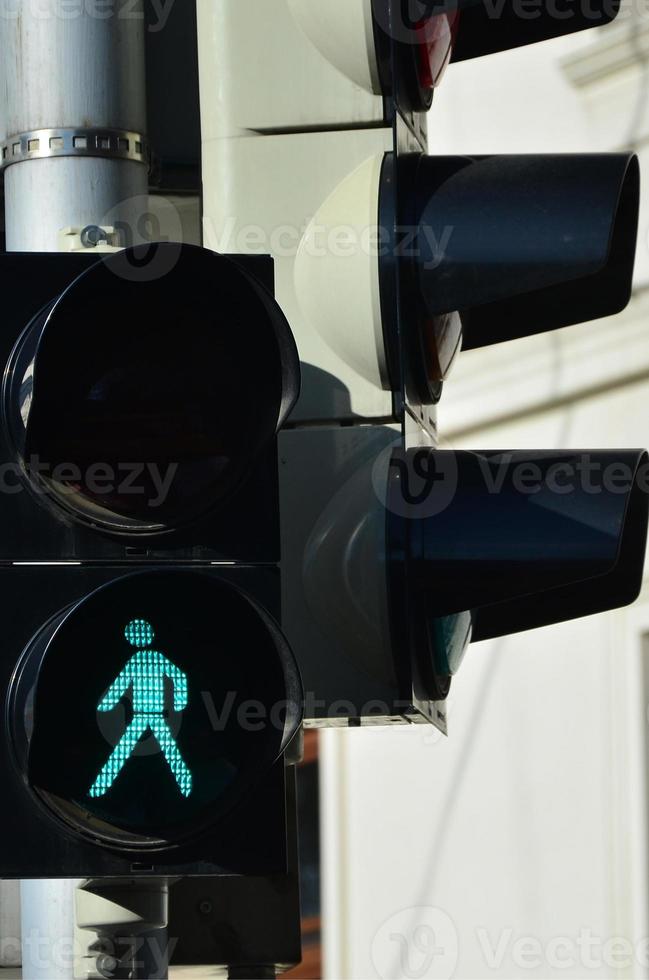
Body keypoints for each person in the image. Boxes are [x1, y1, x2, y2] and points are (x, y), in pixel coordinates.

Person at [89, 619, 192, 798]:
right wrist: (179, 702)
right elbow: (120, 684)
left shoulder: (146, 659)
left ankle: (100, 787)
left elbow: (119, 685)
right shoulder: (145, 659)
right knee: (166, 750)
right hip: (145, 715)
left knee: (127, 749)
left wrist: (106, 704)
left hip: (148, 715)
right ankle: (185, 786)